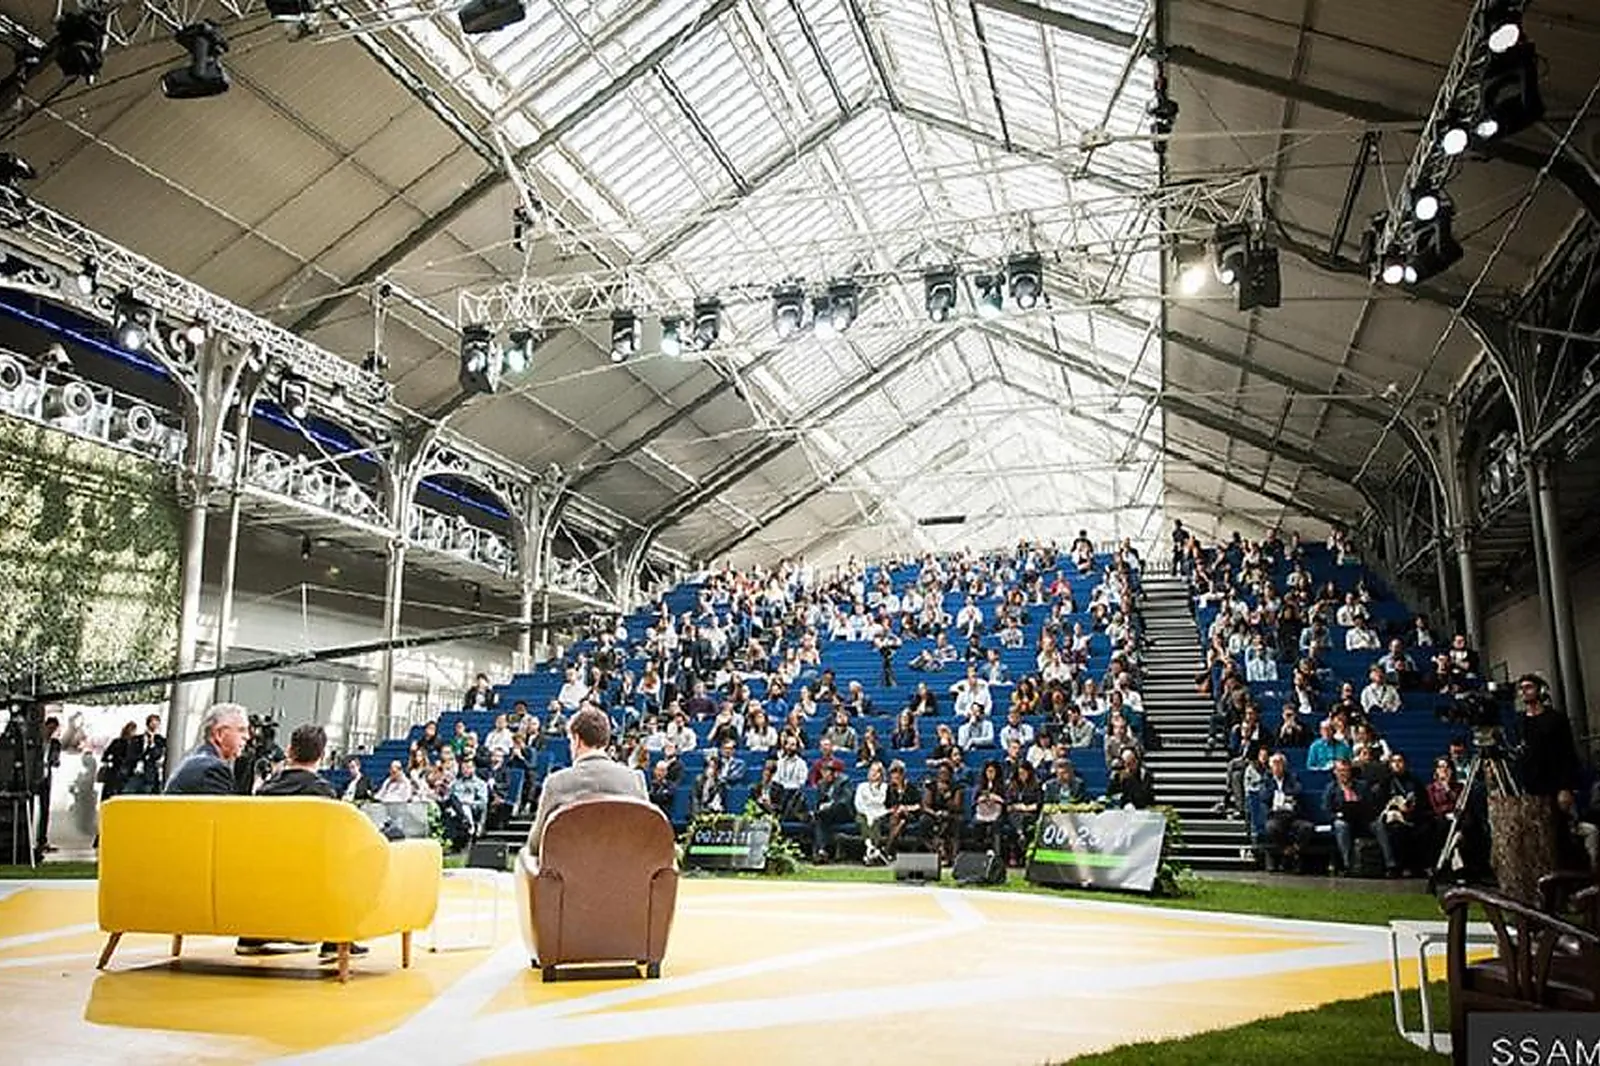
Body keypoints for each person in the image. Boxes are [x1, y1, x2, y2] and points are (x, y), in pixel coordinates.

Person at [526, 707, 648, 856]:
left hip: (570, 874)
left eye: (570, 740)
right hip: (622, 873)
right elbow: (645, 837)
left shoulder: (556, 783)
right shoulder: (635, 780)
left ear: (576, 740)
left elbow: (536, 844)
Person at [1514, 674, 1580, 799]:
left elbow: (1567, 753)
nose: (1524, 691)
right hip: (1529, 786)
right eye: (1521, 688)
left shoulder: (1556, 719)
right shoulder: (1519, 722)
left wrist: (1566, 787)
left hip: (1553, 784)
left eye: (1528, 687)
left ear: (1540, 690)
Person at [165, 704, 249, 795]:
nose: (247, 737)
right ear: (219, 734)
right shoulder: (213, 770)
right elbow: (225, 809)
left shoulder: (198, 760)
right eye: (241, 730)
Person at [810, 761, 854, 862]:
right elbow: (819, 801)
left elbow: (845, 800)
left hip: (843, 812)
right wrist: (821, 807)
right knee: (819, 818)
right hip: (827, 814)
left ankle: (820, 850)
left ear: (834, 773)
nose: (825, 775)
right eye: (823, 772)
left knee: (819, 816)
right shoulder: (821, 783)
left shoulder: (844, 781)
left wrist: (830, 805)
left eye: (827, 772)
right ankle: (821, 851)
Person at [854, 761, 889, 864]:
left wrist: (870, 802)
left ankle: (870, 852)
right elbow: (858, 803)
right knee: (863, 820)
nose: (873, 773)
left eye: (877, 771)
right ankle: (872, 850)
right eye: (871, 770)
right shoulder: (862, 786)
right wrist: (868, 811)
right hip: (863, 813)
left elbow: (882, 802)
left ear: (881, 774)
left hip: (880, 814)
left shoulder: (885, 787)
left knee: (876, 821)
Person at [124, 713, 167, 794]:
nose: (154, 727)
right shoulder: (136, 739)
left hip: (149, 776)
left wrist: (152, 744)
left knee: (145, 794)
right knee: (127, 793)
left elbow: (157, 755)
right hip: (134, 773)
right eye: (152, 724)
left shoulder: (159, 740)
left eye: (156, 725)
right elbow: (130, 755)